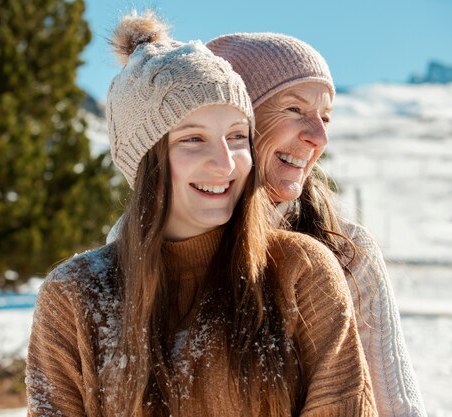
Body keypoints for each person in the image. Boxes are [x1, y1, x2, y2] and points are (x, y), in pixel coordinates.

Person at [26, 11, 377, 417]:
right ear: (145, 163)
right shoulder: (74, 296)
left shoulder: (301, 271)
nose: (224, 163)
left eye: (236, 136)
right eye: (193, 139)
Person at [206, 33, 426, 417]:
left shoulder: (347, 253)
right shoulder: (150, 248)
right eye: (294, 110)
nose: (319, 137)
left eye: (325, 118)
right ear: (233, 123)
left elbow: (399, 408)